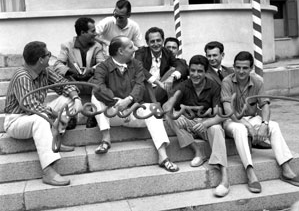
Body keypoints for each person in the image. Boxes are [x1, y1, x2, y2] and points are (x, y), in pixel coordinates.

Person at [220, 51, 299, 193]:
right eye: (238, 67)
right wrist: (248, 126)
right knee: (241, 129)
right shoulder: (227, 82)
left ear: (251, 68)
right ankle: (250, 172)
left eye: (245, 68)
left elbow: (265, 105)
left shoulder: (257, 82)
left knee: (274, 125)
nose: (241, 71)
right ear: (234, 67)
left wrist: (264, 124)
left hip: (251, 118)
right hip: (232, 121)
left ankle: (285, 168)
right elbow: (228, 110)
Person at [90, 35, 179, 172]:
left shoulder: (136, 64)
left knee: (153, 110)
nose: (135, 49)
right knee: (95, 96)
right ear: (121, 51)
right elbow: (99, 88)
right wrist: (116, 102)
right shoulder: (102, 67)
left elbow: (140, 86)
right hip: (113, 113)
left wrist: (129, 101)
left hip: (133, 112)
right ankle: (106, 138)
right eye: (131, 47)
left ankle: (163, 156)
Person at [4, 41, 83, 186]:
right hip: (17, 120)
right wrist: (58, 116)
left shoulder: (44, 70)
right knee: (40, 119)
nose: (50, 57)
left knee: (67, 99)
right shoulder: (22, 76)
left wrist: (77, 99)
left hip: (38, 113)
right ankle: (48, 171)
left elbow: (63, 84)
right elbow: (30, 106)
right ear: (41, 59)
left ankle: (55, 138)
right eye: (48, 55)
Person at [164, 55, 230, 197]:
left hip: (207, 125)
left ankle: (225, 178)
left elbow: (220, 115)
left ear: (205, 72)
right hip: (190, 124)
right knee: (170, 117)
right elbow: (167, 105)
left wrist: (206, 123)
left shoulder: (214, 87)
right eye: (192, 70)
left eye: (199, 71)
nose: (195, 74)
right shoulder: (184, 85)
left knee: (216, 128)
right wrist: (176, 112)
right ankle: (198, 151)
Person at [205, 42, 271, 150]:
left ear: (222, 55)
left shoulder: (232, 71)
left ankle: (256, 138)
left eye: (215, 55)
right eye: (209, 55)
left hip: (236, 110)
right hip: (219, 112)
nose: (212, 58)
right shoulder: (204, 74)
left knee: (258, 108)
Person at [54, 17, 104, 129]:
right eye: (92, 31)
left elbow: (102, 64)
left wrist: (91, 70)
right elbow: (58, 65)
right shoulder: (67, 45)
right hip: (74, 81)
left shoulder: (97, 46)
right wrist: (71, 71)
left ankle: (93, 114)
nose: (95, 34)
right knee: (64, 81)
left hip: (91, 81)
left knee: (101, 81)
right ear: (82, 32)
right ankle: (71, 116)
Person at [135, 27, 188, 104]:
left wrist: (172, 77)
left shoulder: (167, 53)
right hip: (145, 90)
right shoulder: (141, 53)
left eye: (158, 40)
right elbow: (139, 69)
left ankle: (171, 105)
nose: (156, 44)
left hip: (161, 90)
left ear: (163, 40)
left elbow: (181, 65)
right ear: (147, 43)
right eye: (152, 41)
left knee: (174, 71)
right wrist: (158, 83)